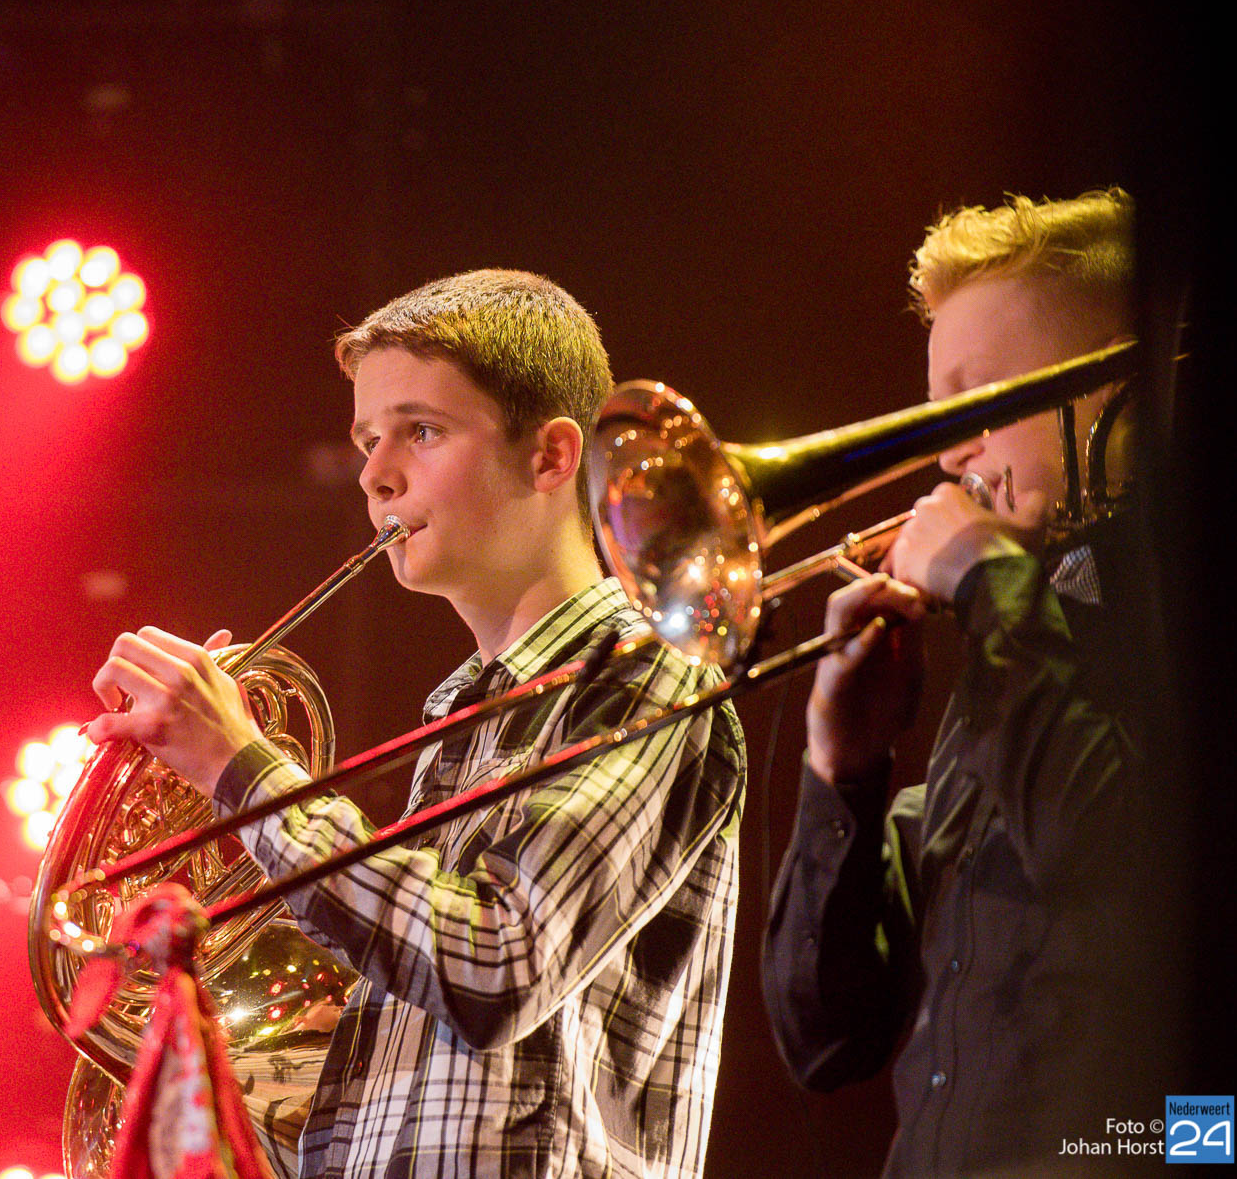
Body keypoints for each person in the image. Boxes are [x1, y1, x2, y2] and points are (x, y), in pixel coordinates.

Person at [89, 270, 747, 1178]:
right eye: (369, 439)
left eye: (421, 431)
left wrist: (240, 765)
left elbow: (496, 965)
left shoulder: (651, 680)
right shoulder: (460, 714)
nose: (374, 473)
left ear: (552, 457)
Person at [760, 189, 1160, 1175]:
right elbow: (827, 1038)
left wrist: (990, 583)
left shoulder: (1172, 627)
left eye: (982, 404)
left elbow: (1114, 856)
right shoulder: (1015, 648)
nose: (949, 453)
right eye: (944, 414)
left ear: (1119, 391)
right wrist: (845, 771)